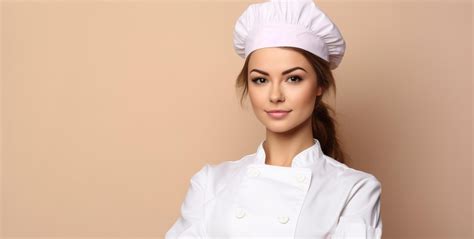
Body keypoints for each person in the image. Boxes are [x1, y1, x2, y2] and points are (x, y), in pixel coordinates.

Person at [165, 0, 382, 238]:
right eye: (261, 80)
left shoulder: (354, 189)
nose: (275, 95)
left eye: (294, 79)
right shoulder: (210, 183)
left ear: (320, 85)